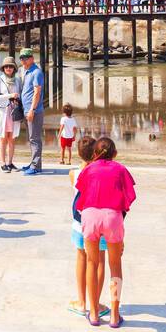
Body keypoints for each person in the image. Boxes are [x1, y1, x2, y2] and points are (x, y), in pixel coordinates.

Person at [75, 136, 136, 329]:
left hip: (90, 215)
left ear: (94, 154)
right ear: (115, 154)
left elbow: (81, 195)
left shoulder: (88, 169)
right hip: (112, 216)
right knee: (115, 265)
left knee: (92, 263)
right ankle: (114, 315)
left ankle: (93, 313)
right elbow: (128, 198)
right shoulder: (120, 169)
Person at [68, 134, 108, 319]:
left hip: (80, 221)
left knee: (81, 257)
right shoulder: (101, 171)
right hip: (99, 221)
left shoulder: (74, 173)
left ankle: (82, 302)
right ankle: (95, 303)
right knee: (99, 260)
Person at [17, 48, 45, 175]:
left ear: (32, 58)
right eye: (21, 58)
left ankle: (36, 166)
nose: (23, 60)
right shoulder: (26, 71)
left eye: (25, 58)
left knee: (35, 138)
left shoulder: (36, 72)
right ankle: (34, 162)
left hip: (34, 111)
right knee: (31, 138)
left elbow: (37, 92)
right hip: (27, 110)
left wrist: (32, 110)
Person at [0, 56, 21, 172]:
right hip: (3, 112)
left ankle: (10, 163)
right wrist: (10, 96)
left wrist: (17, 98)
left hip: (14, 112)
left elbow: (19, 94)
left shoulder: (18, 81)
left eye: (11, 66)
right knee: (3, 138)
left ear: (14, 68)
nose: (8, 68)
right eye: (6, 66)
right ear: (3, 68)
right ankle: (2, 163)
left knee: (12, 138)